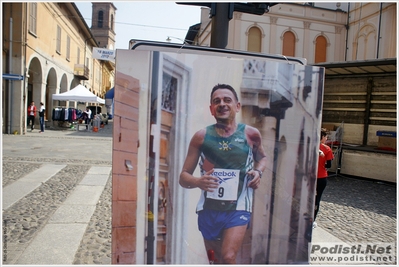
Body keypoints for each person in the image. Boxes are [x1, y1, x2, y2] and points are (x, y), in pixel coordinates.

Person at [179, 84, 268, 264]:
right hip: (209, 209)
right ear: (211, 109)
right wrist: (198, 181)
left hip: (239, 206)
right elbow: (183, 176)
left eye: (227, 100)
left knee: (228, 257)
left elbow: (263, 157)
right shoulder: (201, 137)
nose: (222, 104)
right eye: (216, 101)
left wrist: (258, 172)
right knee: (216, 260)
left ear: (237, 106)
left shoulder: (251, 134)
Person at [313, 128, 334, 228]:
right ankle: (312, 220)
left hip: (309, 176)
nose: (326, 139)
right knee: (317, 199)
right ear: (321, 137)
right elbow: (329, 165)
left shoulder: (310, 146)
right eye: (325, 137)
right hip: (321, 177)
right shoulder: (327, 149)